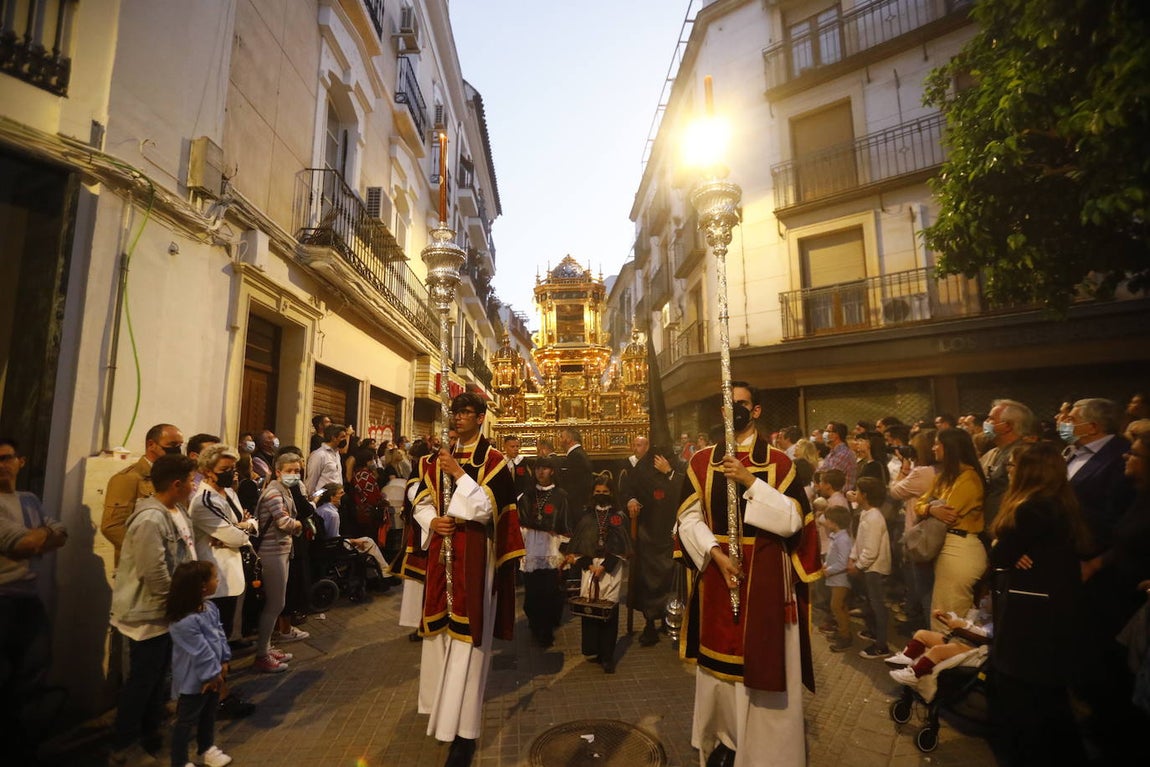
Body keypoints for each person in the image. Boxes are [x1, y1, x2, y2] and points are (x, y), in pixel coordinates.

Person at [676, 381, 820, 767]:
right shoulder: (702, 462)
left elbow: (792, 522)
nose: (734, 410)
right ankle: (724, 739)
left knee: (762, 663)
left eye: (741, 404)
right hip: (717, 574)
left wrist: (750, 482)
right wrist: (715, 555)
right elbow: (687, 520)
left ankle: (767, 753)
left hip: (766, 578)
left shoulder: (780, 462)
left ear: (755, 410)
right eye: (728, 404)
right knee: (719, 673)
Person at [411, 393, 524, 767]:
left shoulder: (493, 463)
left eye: (465, 413)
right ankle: (441, 718)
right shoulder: (432, 460)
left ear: (480, 417)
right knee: (441, 641)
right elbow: (420, 500)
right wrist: (432, 521)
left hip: (476, 562)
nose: (458, 419)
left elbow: (484, 511)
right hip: (442, 558)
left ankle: (465, 733)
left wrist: (458, 474)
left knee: (469, 648)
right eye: (455, 413)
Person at [986, 440, 1091, 766]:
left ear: (1031, 473)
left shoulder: (1033, 508)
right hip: (1053, 614)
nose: (1009, 470)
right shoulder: (1060, 504)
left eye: (1014, 466)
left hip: (1031, 618)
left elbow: (999, 555)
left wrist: (1004, 545)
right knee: (1049, 700)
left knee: (1025, 702)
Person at [108, 453, 198, 765]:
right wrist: (176, 604)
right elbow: (154, 572)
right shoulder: (150, 518)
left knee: (157, 679)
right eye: (190, 481)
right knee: (142, 681)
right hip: (148, 613)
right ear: (176, 484)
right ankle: (124, 746)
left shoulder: (176, 511)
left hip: (165, 612)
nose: (193, 485)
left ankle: (149, 735)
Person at [0, 437, 68, 762]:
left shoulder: (29, 498)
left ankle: (21, 748)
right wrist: (40, 536)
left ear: (20, 462)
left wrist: (36, 537)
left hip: (29, 598)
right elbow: (23, 544)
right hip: (2, 601)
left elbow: (62, 533)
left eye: (6, 458)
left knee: (32, 674)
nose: (2, 465)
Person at [187, 445, 257, 719]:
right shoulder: (203, 500)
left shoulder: (228, 493)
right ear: (206, 471)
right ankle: (216, 700)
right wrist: (241, 530)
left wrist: (242, 528)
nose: (232, 474)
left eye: (233, 468)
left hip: (231, 575)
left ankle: (220, 694)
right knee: (213, 643)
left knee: (222, 640)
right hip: (215, 580)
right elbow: (238, 536)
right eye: (224, 470)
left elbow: (249, 524)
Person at [914, 428, 987, 632]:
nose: (933, 447)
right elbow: (919, 504)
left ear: (951, 448)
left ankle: (947, 659)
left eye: (938, 443)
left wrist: (931, 508)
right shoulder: (946, 476)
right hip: (947, 546)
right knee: (941, 608)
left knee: (950, 613)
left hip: (961, 548)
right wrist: (930, 508)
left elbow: (948, 512)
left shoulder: (969, 478)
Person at [165, 561, 233, 767]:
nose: (217, 580)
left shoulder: (210, 607)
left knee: (209, 714)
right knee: (185, 721)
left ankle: (207, 748)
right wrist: (212, 674)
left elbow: (219, 633)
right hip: (194, 680)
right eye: (214, 577)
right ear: (202, 585)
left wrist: (224, 660)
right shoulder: (183, 621)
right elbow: (199, 651)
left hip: (214, 675)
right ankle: (179, 760)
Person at [617, 435, 680, 646]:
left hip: (669, 535)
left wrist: (669, 472)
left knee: (668, 581)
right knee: (646, 581)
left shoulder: (675, 468)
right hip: (646, 534)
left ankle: (667, 618)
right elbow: (628, 489)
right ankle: (649, 624)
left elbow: (685, 491)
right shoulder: (640, 470)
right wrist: (631, 500)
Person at [566, 473, 630, 674]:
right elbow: (576, 546)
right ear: (592, 493)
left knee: (608, 611)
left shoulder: (618, 517)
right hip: (589, 567)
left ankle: (608, 656)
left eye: (605, 492)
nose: (601, 495)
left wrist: (605, 566)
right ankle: (593, 650)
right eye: (598, 492)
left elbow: (623, 546)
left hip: (610, 568)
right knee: (590, 608)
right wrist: (588, 564)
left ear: (611, 493)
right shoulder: (585, 516)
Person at [102, 423, 184, 565]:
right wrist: (150, 552)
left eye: (180, 445)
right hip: (140, 565)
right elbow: (113, 527)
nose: (177, 450)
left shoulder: (176, 478)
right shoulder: (128, 478)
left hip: (174, 562)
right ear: (151, 445)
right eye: (172, 444)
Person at [1062, 398, 1134, 557]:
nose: (1065, 424)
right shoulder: (1075, 451)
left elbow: (1118, 512)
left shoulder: (1122, 455)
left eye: (1071, 420)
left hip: (1093, 553)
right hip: (1064, 547)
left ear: (1092, 427)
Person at [253, 453, 304, 673]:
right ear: (278, 471)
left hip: (281, 550)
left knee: (277, 603)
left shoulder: (284, 491)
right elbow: (283, 522)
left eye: (297, 471)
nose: (294, 475)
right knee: (275, 604)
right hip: (271, 553)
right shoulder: (274, 493)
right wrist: (299, 524)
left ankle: (266, 647)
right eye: (290, 471)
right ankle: (261, 655)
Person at [887, 604, 993, 703]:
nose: (986, 597)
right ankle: (907, 657)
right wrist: (945, 616)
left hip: (971, 647)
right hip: (958, 638)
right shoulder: (978, 612)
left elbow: (984, 637)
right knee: (921, 634)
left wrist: (963, 626)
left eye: (989, 598)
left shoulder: (993, 624)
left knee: (938, 650)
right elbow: (960, 621)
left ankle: (914, 675)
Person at [889, 429, 939, 632]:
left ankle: (926, 632)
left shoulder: (921, 472)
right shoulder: (940, 470)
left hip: (919, 535)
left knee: (923, 588)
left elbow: (895, 491)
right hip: (937, 535)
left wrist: (904, 468)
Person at [519, 455, 570, 648]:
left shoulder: (561, 495)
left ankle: (546, 630)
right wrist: (542, 526)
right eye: (538, 468)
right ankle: (534, 623)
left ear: (553, 471)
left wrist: (564, 549)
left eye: (545, 468)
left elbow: (564, 522)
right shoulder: (527, 494)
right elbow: (522, 519)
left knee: (550, 590)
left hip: (551, 547)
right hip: (532, 546)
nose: (541, 472)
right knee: (532, 590)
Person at [847, 477, 892, 659]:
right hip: (868, 567)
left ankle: (881, 645)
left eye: (857, 491)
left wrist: (858, 565)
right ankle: (873, 632)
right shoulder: (867, 513)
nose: (854, 494)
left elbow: (871, 550)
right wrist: (852, 557)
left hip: (875, 568)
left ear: (864, 495)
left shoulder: (874, 517)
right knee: (871, 603)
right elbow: (859, 540)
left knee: (877, 605)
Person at [314, 483, 392, 580]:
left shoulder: (319, 509)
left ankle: (380, 574)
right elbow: (333, 539)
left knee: (367, 541)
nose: (344, 495)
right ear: (332, 497)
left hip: (323, 546)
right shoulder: (333, 514)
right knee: (368, 541)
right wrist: (353, 541)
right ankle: (385, 573)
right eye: (341, 493)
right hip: (334, 548)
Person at [978, 399, 1036, 528]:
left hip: (1011, 525)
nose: (986, 423)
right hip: (992, 525)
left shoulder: (1023, 453)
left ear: (1007, 426)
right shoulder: (994, 452)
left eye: (991, 419)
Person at [818, 505, 853, 652]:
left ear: (834, 522)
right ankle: (842, 632)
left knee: (836, 606)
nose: (825, 522)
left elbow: (843, 562)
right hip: (835, 578)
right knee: (840, 606)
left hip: (840, 579)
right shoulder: (836, 537)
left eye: (827, 519)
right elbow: (832, 557)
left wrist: (829, 570)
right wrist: (826, 565)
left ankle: (845, 636)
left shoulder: (843, 539)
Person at [556, 427, 593, 525]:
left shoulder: (576, 456)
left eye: (561, 437)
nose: (559, 440)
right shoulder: (577, 454)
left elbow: (574, 484)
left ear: (569, 439)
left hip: (575, 506)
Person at [305, 423, 348, 497]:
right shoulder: (319, 455)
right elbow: (311, 481)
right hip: (323, 500)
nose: (345, 440)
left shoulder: (336, 454)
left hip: (336, 499)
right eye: (342, 437)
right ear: (333, 438)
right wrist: (316, 497)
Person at [818, 422, 857, 492]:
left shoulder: (844, 454)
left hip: (842, 495)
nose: (825, 434)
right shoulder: (831, 454)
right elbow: (820, 472)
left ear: (836, 435)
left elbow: (830, 478)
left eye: (828, 431)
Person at [502, 435, 534, 503]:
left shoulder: (524, 461)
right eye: (512, 447)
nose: (516, 449)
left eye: (517, 446)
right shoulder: (501, 462)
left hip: (522, 498)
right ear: (505, 447)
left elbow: (529, 481)